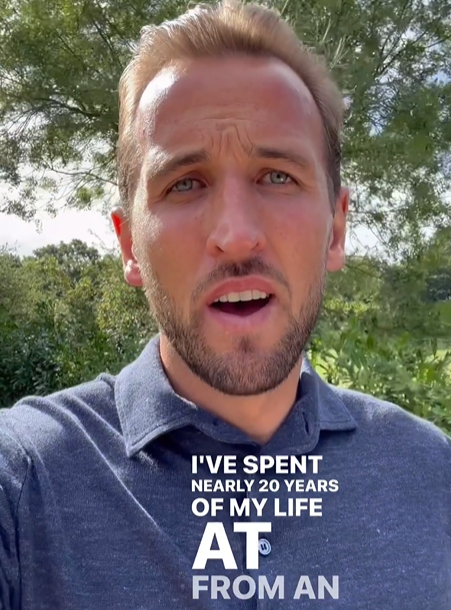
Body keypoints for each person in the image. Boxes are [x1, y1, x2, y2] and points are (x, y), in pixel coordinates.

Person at [1, 0, 450, 608]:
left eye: (278, 176)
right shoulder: (25, 486)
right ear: (130, 247)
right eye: (185, 183)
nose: (236, 236)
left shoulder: (431, 475)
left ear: (337, 229)